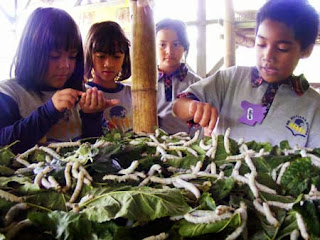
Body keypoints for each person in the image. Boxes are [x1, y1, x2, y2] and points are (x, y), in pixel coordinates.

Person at [173, 0, 320, 148]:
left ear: (306, 50)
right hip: (222, 171)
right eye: (261, 44)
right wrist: (193, 107)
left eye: (282, 48)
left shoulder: (314, 106)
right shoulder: (231, 79)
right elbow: (178, 106)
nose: (268, 56)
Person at [0, 7, 118, 153]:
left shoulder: (83, 94)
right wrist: (48, 112)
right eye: (55, 56)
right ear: (31, 54)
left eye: (72, 56)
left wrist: (92, 116)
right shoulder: (9, 93)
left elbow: (98, 153)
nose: (65, 66)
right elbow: (3, 144)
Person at [84, 21, 132, 133]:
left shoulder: (132, 94)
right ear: (89, 56)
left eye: (116, 57)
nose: (108, 64)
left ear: (124, 58)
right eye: (101, 56)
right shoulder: (85, 94)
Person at [156, 18, 202, 135]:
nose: (169, 51)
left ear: (185, 47)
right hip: (150, 145)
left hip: (187, 147)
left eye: (176, 44)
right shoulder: (144, 84)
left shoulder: (197, 83)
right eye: (162, 45)